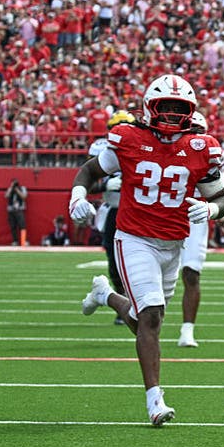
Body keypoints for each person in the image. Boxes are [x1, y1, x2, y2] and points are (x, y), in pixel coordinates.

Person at [68, 73, 224, 426]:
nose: (172, 115)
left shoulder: (202, 147)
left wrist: (213, 209)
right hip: (134, 237)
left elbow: (223, 196)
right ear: (149, 107)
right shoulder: (128, 138)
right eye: (166, 107)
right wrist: (78, 193)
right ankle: (155, 401)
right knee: (153, 316)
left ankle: (105, 295)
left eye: (179, 109)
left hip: (173, 243)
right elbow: (90, 169)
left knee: (145, 321)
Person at [90, 109, 135, 325]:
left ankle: (135, 303)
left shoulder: (142, 146)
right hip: (113, 210)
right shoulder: (102, 148)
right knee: (114, 263)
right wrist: (106, 184)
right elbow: (89, 182)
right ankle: (122, 304)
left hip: (136, 211)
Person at [178, 112, 214, 348]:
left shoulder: (211, 156)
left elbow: (219, 192)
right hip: (162, 215)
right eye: (192, 131)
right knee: (156, 280)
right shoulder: (168, 150)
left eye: (199, 131)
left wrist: (216, 209)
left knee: (191, 273)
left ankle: (187, 330)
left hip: (195, 218)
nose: (196, 137)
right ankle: (109, 296)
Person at [5, 178, 27, 245]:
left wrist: (17, 190)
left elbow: (24, 197)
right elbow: (6, 196)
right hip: (11, 210)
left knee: (22, 225)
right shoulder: (10, 189)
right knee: (13, 226)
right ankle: (15, 241)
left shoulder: (22, 188)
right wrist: (11, 188)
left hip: (19, 209)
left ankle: (23, 241)